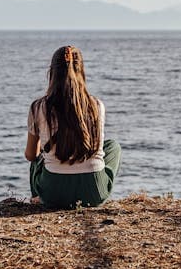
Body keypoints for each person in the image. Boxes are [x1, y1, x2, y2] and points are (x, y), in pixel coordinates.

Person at [25, 45, 121, 208]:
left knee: (38, 156)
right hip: (93, 192)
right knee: (113, 147)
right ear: (81, 71)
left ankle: (37, 196)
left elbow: (30, 155)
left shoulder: (38, 107)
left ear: (52, 73)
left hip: (53, 194)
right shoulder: (97, 105)